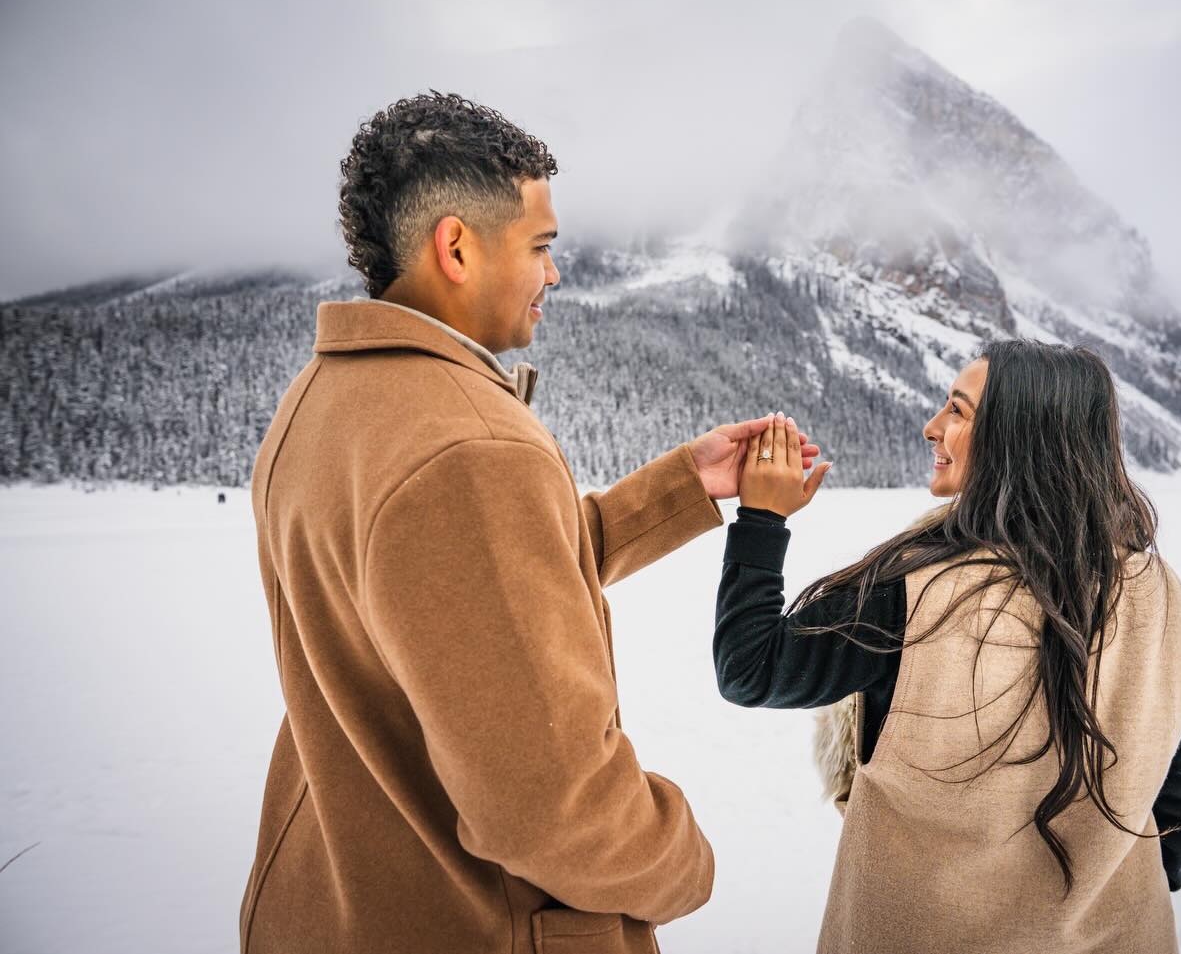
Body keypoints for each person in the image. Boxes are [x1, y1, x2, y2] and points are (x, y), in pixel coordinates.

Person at [239, 91, 821, 954]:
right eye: (541, 247)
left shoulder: (325, 401)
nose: (554, 273)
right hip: (475, 926)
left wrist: (680, 487)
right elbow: (552, 808)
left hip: (336, 905)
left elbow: (456, 593)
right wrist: (683, 858)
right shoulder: (469, 447)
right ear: (457, 245)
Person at [714, 340, 1181, 954]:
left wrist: (761, 519)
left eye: (958, 410)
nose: (931, 426)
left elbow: (750, 668)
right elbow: (1179, 800)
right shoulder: (1166, 602)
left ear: (1015, 438)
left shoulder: (912, 594)